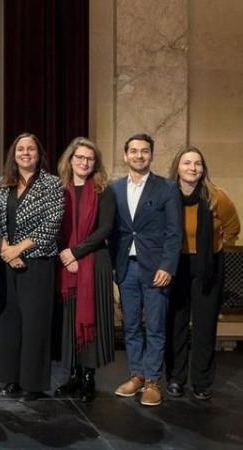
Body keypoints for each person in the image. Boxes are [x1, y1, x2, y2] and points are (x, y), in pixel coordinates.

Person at [110, 133, 182, 407]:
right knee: (129, 325)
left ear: (151, 156)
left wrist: (168, 266)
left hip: (156, 269)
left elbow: (174, 233)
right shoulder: (115, 189)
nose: (139, 156)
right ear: (126, 155)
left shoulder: (167, 188)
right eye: (134, 151)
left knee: (154, 326)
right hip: (126, 267)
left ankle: (153, 381)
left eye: (144, 151)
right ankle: (136, 375)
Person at [165, 147, 240, 401]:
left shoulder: (216, 196)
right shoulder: (167, 195)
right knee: (175, 324)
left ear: (203, 169)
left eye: (197, 163)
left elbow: (233, 228)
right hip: (176, 264)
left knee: (205, 326)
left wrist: (213, 249)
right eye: (187, 163)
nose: (192, 168)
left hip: (208, 265)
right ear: (178, 166)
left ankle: (201, 382)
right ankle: (175, 378)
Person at [0, 132, 64, 401]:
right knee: (9, 322)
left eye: (30, 148)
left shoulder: (52, 184)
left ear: (39, 153)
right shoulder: (2, 184)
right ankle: (11, 378)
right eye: (20, 148)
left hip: (38, 263)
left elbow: (50, 224)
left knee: (34, 324)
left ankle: (32, 384)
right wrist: (5, 251)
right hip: (6, 262)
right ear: (14, 154)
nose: (25, 153)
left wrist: (17, 249)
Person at [54, 137, 115, 403]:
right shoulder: (58, 189)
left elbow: (105, 228)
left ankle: (89, 377)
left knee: (92, 321)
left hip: (94, 262)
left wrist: (76, 252)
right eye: (79, 157)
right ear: (70, 159)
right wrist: (66, 256)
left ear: (95, 163)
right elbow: (52, 226)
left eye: (89, 158)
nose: (84, 162)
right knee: (69, 320)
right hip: (64, 262)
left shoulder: (104, 190)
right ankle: (74, 375)